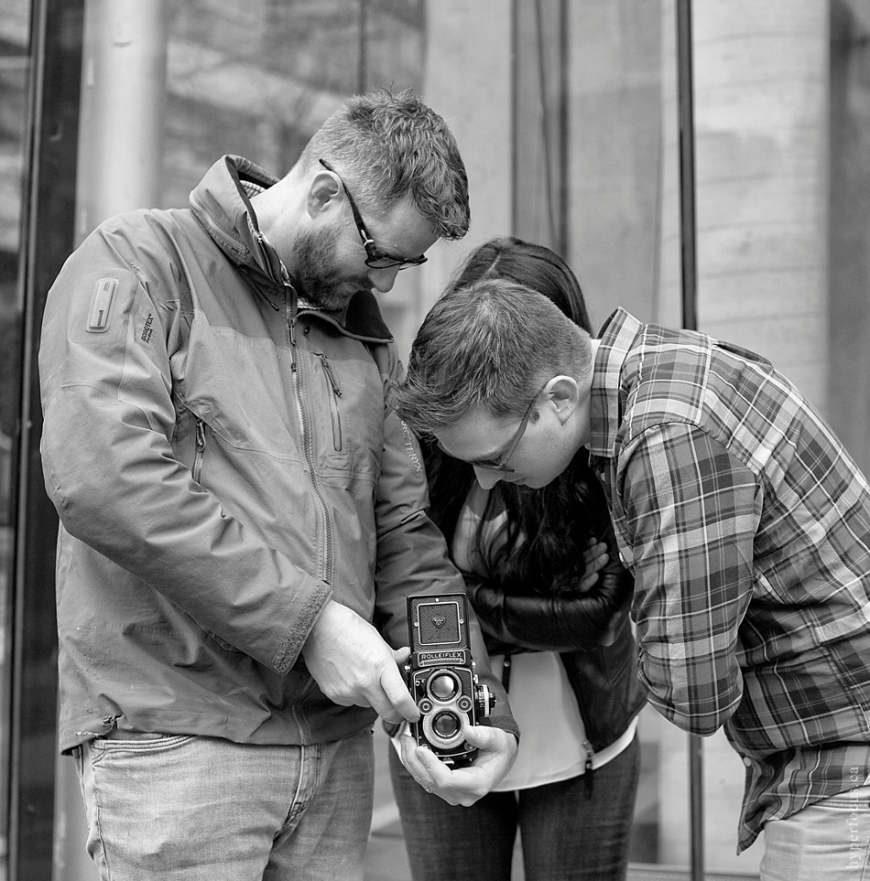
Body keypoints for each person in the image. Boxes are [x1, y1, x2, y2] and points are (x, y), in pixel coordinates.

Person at [37, 89, 518, 881]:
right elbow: (103, 476)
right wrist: (311, 625)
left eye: (406, 264)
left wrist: (466, 702)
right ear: (327, 193)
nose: (389, 286)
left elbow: (405, 537)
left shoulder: (360, 330)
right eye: (381, 255)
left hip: (332, 757)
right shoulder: (138, 262)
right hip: (180, 740)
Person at [389, 277, 870, 881]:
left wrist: (619, 616)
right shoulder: (667, 375)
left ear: (559, 398)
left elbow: (693, 695)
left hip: (843, 768)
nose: (486, 483)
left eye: (494, 458)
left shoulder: (666, 433)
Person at [388, 238, 645, 881]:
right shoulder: (436, 431)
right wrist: (526, 608)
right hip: (445, 720)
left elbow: (598, 613)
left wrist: (458, 598)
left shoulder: (604, 443)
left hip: (583, 738)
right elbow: (396, 574)